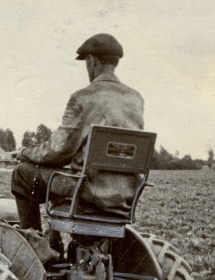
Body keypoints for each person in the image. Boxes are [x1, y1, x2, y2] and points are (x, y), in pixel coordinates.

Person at [11, 33, 145, 231]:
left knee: (22, 174)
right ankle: (54, 236)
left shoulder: (83, 98)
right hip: (124, 196)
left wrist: (24, 154)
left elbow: (58, 151)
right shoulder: (136, 99)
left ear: (91, 61)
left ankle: (36, 243)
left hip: (89, 192)